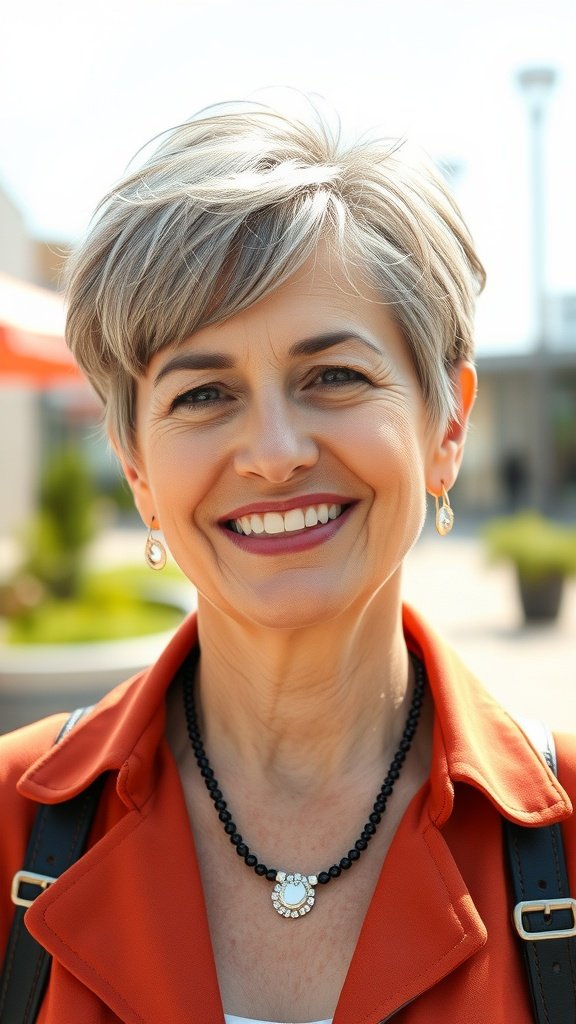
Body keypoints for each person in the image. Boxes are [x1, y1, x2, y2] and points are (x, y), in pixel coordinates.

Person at [1, 96, 574, 1024]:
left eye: (333, 377)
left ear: (448, 425)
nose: (273, 451)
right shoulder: (8, 825)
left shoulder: (568, 840)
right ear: (137, 466)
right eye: (204, 393)